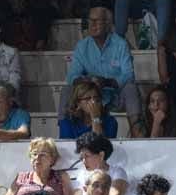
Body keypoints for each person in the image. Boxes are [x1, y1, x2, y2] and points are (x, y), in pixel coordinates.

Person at [60, 8, 142, 136]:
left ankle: (137, 134)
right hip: (89, 96)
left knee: (131, 89)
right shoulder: (82, 46)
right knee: (66, 90)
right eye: (90, 20)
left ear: (108, 24)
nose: (92, 24)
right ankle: (63, 134)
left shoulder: (120, 44)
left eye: (96, 20)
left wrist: (108, 82)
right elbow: (72, 76)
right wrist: (86, 81)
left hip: (114, 95)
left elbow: (128, 74)